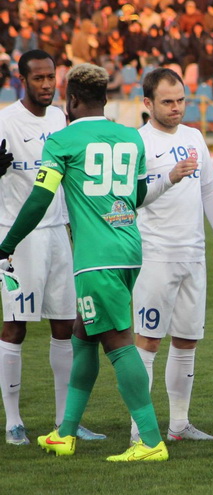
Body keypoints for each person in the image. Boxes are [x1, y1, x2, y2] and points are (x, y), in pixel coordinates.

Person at [0, 63, 195, 461]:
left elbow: (40, 199)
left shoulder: (62, 140)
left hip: (95, 258)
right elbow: (138, 197)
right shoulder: (130, 138)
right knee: (82, 334)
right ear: (105, 99)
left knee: (119, 343)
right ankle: (65, 432)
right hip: (129, 249)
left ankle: (151, 441)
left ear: (71, 101)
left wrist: (8, 243)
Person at [0, 50, 103, 446]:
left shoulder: (63, 118)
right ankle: (13, 422)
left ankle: (66, 422)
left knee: (67, 325)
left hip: (59, 232)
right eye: (38, 78)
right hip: (19, 236)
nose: (46, 84)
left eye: (51, 77)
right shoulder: (6, 122)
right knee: (15, 326)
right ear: (22, 80)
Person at [128, 68, 213, 444]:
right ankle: (139, 431)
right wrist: (168, 178)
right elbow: (133, 197)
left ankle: (179, 426)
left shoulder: (194, 136)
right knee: (148, 341)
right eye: (167, 102)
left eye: (181, 100)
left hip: (193, 254)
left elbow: (208, 190)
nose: (176, 108)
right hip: (155, 255)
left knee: (187, 339)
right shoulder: (137, 142)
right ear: (147, 103)